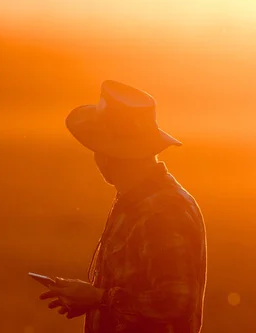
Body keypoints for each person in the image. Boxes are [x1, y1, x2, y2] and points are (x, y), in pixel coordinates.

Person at [39, 80, 207, 333]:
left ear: (110, 154)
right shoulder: (136, 201)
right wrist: (92, 300)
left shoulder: (162, 212)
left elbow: (174, 302)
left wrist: (99, 298)